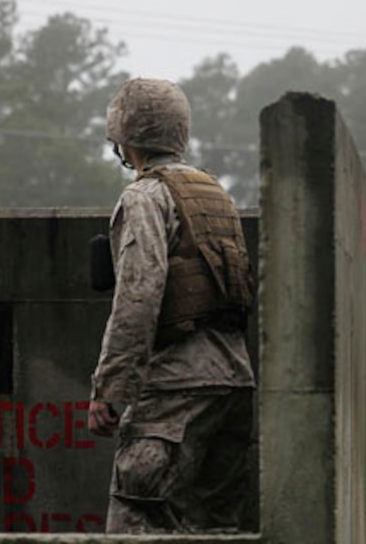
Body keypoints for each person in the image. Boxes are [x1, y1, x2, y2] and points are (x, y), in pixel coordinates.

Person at [88, 78, 256, 534]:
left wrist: (110, 389)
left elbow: (138, 299)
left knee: (138, 520)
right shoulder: (217, 196)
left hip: (173, 391)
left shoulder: (144, 197)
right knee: (218, 529)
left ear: (124, 136)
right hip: (235, 382)